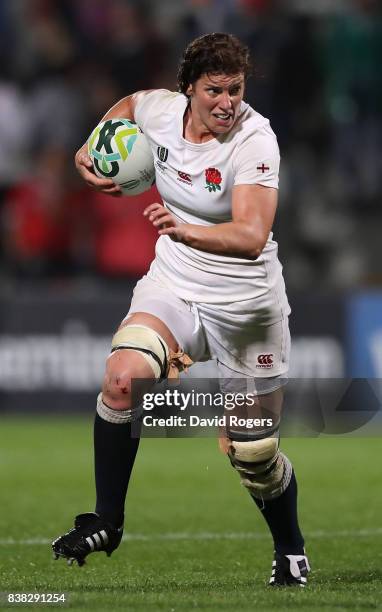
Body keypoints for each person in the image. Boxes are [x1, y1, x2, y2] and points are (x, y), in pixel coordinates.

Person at [52, 33, 310, 587]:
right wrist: (90, 144)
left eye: (235, 90)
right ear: (188, 89)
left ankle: (290, 546)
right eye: (214, 90)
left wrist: (184, 229)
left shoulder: (255, 140)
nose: (227, 103)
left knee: (253, 451)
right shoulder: (162, 112)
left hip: (247, 305)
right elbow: (127, 106)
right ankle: (107, 521)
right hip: (176, 281)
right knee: (123, 378)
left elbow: (250, 234)